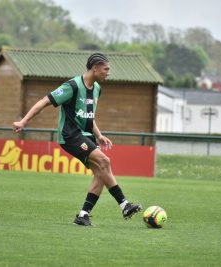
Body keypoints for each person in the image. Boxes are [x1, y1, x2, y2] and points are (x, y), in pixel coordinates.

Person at [12, 52, 142, 226]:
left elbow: (88, 116)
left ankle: (82, 216)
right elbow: (44, 101)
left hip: (86, 135)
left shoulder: (96, 88)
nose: (108, 72)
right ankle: (125, 205)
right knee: (105, 161)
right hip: (70, 135)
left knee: (100, 174)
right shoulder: (72, 86)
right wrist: (23, 121)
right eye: (106, 69)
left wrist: (99, 135)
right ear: (95, 68)